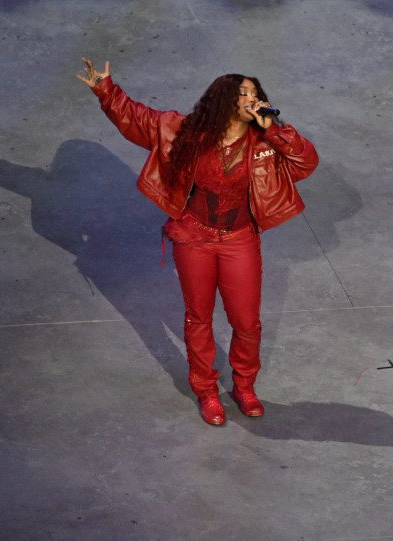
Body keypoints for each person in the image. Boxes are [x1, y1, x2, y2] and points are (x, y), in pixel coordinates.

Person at [77, 58, 318, 426]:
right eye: (243, 92)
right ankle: (206, 390)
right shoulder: (183, 131)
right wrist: (106, 90)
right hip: (195, 237)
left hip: (239, 239)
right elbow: (137, 119)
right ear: (223, 98)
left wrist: (275, 130)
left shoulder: (264, 141)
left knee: (246, 321)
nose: (251, 98)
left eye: (255, 93)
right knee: (198, 317)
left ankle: (244, 385)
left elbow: (305, 163)